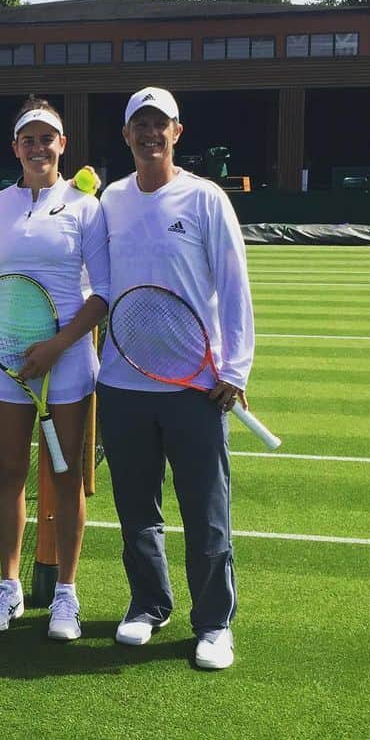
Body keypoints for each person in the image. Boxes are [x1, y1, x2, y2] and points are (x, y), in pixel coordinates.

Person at [97, 86, 254, 671]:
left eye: (160, 124)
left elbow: (235, 288)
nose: (150, 134)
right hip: (122, 383)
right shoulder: (110, 200)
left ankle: (214, 623)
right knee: (137, 512)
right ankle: (148, 605)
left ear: (177, 132)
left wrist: (234, 369)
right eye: (140, 125)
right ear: (127, 134)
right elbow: (96, 286)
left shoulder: (207, 198)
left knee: (206, 516)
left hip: (194, 389)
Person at [0, 97, 110, 640]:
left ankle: (65, 595)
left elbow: (101, 293)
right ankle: (8, 586)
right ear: (16, 148)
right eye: (28, 139)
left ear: (63, 145)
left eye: (47, 138)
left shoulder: (86, 205)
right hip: (7, 360)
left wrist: (57, 346)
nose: (38, 146)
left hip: (69, 361)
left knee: (66, 475)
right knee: (9, 475)